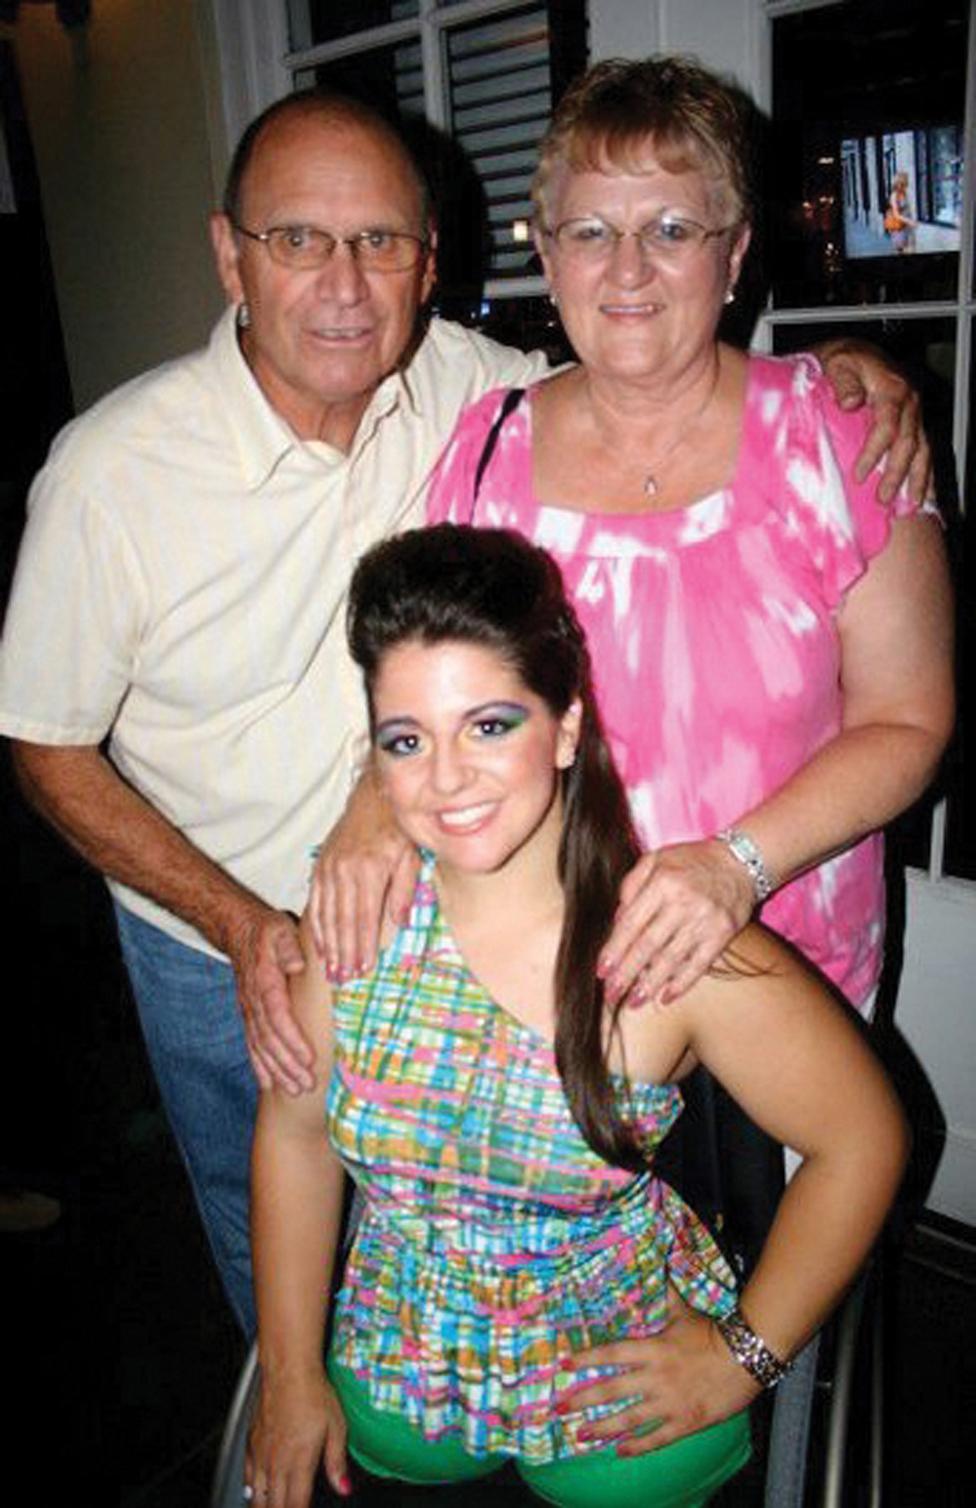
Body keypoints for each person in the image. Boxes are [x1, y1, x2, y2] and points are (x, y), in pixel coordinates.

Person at [0, 85, 931, 1333]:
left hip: (705, 954)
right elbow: (58, 740)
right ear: (230, 253)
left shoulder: (504, 401)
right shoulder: (148, 470)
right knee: (320, 1256)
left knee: (716, 1285)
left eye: (379, 241)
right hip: (346, 946)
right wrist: (306, 871)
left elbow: (903, 709)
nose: (342, 283)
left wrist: (863, 373)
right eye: (296, 240)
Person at [247, 523, 909, 1508]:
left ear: (563, 725)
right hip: (403, 1373)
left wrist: (742, 1357)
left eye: (488, 724)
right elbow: (295, 1134)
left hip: (620, 1390)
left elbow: (861, 1139)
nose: (445, 778)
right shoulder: (359, 926)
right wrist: (293, 1370)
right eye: (406, 739)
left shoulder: (668, 948)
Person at [884, 171, 917, 253]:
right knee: (901, 249)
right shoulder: (894, 195)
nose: (906, 185)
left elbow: (907, 209)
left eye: (906, 182)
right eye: (904, 182)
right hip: (898, 227)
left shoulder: (904, 193)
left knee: (910, 248)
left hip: (907, 226)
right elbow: (896, 214)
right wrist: (910, 221)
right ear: (898, 182)